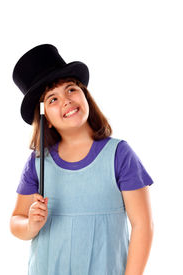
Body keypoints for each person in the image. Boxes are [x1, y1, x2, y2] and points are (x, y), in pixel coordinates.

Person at [10, 44, 154, 275]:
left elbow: (142, 226)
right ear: (44, 117)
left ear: (84, 94)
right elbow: (16, 221)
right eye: (52, 99)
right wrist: (30, 225)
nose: (66, 100)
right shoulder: (37, 163)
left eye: (71, 89)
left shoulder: (119, 155)